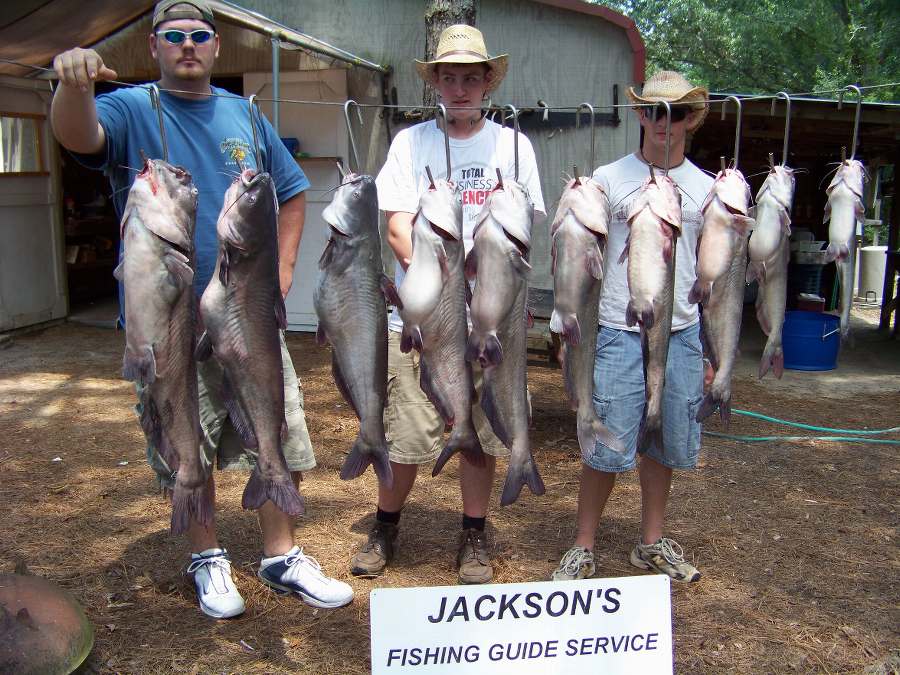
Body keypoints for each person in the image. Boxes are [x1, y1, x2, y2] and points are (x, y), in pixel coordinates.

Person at [50, 0, 353, 618]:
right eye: (173, 36)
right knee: (189, 430)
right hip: (168, 313)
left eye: (199, 36)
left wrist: (285, 271)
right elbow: (77, 135)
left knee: (276, 424)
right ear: (156, 48)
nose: (187, 45)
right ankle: (208, 559)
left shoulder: (245, 115)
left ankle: (281, 555)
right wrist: (71, 83)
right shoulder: (133, 108)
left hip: (247, 309)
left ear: (215, 48)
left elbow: (291, 194)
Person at [351, 24, 545, 584]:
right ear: (435, 81)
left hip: (492, 320)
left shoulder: (514, 146)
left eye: (471, 78)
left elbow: (520, 236)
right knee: (408, 429)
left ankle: (474, 534)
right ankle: (386, 525)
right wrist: (447, 284)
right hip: (425, 319)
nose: (460, 88)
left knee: (479, 432)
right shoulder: (410, 144)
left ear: (487, 82)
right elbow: (395, 228)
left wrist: (478, 289)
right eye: (449, 77)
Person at [551, 70, 713, 583]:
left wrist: (708, 347)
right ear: (640, 114)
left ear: (692, 120)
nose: (665, 122)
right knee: (606, 445)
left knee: (663, 441)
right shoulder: (606, 178)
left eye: (678, 112)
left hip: (681, 331)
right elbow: (577, 260)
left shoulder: (710, 190)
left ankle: (650, 542)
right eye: (654, 111)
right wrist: (568, 331)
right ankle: (583, 545)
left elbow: (711, 276)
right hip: (615, 331)